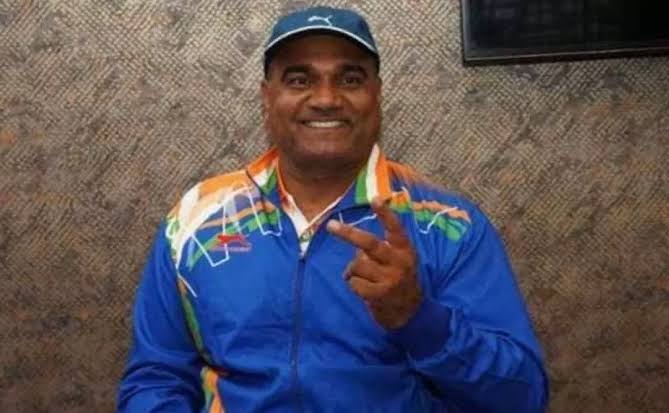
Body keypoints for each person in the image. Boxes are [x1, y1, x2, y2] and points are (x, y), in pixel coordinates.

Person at [117, 6, 549, 412]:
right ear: (267, 98)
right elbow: (156, 378)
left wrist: (419, 320)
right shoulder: (196, 220)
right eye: (299, 79)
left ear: (376, 95)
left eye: (350, 79)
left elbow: (522, 396)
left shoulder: (449, 226)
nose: (325, 98)